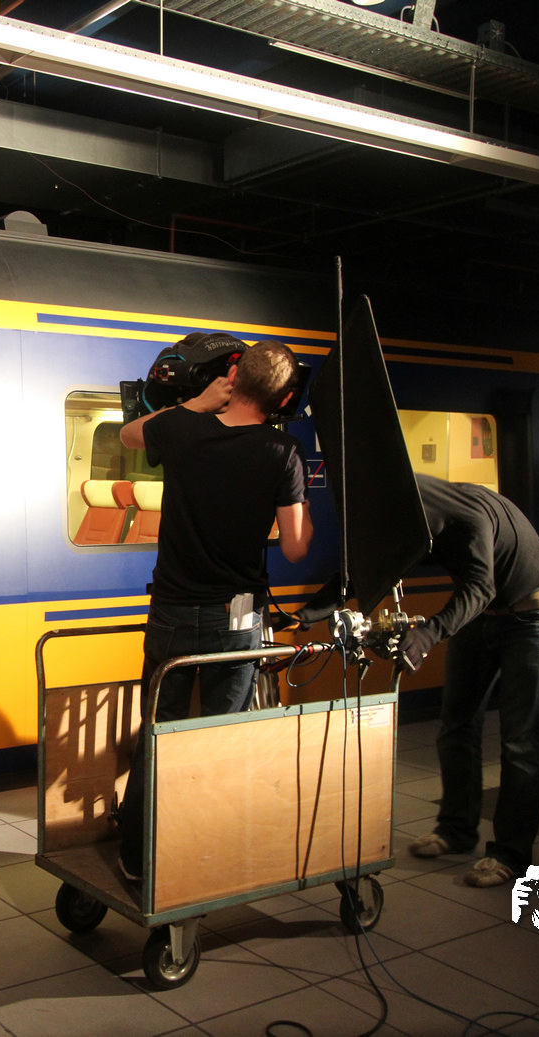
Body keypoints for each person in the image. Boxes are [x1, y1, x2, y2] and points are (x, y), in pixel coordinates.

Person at [114, 337, 312, 881]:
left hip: (173, 607)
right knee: (223, 735)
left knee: (159, 731)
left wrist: (196, 405)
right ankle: (200, 855)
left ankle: (137, 856)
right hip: (240, 610)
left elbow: (129, 434)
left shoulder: (182, 428)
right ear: (283, 398)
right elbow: (297, 547)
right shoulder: (284, 452)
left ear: (233, 378)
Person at [397, 474, 539, 888]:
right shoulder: (419, 512)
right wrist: (318, 607)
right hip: (482, 614)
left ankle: (510, 854)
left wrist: (429, 633)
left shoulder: (468, 514)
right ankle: (456, 830)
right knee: (456, 727)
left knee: (521, 742)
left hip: (532, 613)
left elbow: (480, 585)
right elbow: (384, 563)